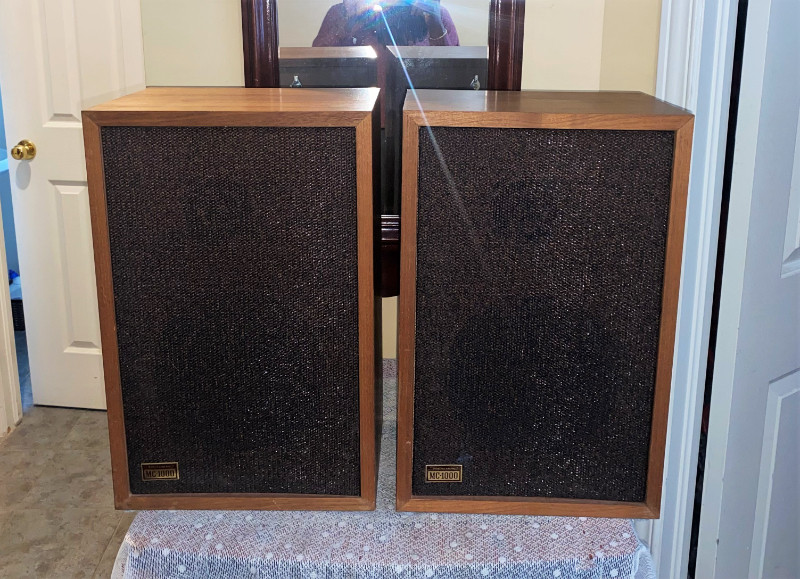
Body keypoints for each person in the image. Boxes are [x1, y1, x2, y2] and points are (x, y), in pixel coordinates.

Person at [313, 0, 460, 48]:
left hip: (418, 108)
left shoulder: (435, 13)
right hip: (361, 108)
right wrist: (348, 21)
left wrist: (434, 21)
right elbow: (315, 66)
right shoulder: (340, 12)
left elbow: (454, 72)